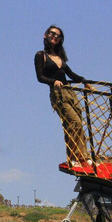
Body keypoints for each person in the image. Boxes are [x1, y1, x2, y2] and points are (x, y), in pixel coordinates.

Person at [35, 25, 94, 167]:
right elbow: (40, 77)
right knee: (74, 122)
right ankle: (73, 157)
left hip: (70, 91)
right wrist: (53, 81)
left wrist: (85, 81)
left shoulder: (60, 57)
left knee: (79, 121)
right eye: (52, 33)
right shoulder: (41, 55)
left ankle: (83, 158)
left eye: (58, 36)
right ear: (45, 35)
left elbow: (71, 74)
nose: (54, 36)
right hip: (58, 93)